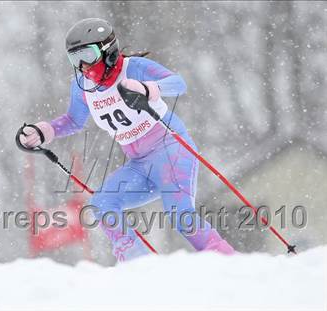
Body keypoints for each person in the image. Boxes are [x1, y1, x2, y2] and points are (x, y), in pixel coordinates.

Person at [20, 18, 235, 261]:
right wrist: (44, 131)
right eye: (74, 59)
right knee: (102, 204)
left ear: (108, 50)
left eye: (87, 55)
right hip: (140, 164)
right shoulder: (82, 86)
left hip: (172, 151)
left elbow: (179, 84)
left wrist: (148, 89)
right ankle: (138, 265)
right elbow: (73, 120)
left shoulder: (134, 68)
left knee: (181, 216)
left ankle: (229, 263)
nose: (82, 66)